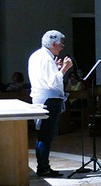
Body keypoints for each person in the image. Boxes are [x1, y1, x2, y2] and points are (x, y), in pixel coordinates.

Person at [28, 30, 73, 178]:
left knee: (44, 135)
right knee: (46, 136)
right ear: (53, 44)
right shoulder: (46, 59)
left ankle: (44, 166)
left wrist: (57, 68)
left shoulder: (37, 56)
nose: (62, 48)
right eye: (61, 45)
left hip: (41, 99)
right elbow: (52, 82)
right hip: (48, 101)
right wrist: (64, 68)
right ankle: (44, 168)